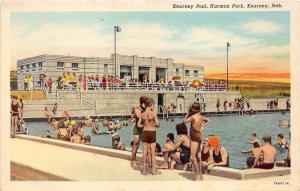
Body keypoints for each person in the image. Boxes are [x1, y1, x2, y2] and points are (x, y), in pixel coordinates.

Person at [183, 102, 211, 181]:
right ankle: (201, 175)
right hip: (199, 136)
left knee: (192, 157)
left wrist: (188, 112)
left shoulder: (193, 117)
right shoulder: (201, 116)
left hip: (194, 137)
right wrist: (202, 127)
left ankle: (198, 175)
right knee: (198, 157)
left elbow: (184, 121)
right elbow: (209, 120)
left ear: (193, 109)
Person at [138, 98, 160, 175]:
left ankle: (144, 170)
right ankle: (154, 171)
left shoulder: (142, 114)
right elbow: (158, 124)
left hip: (145, 131)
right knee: (153, 153)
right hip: (152, 132)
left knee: (144, 152)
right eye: (153, 105)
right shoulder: (153, 113)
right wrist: (153, 124)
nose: (153, 107)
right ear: (151, 105)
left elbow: (138, 125)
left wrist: (144, 125)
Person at [131, 96, 148, 168]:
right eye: (146, 101)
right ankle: (133, 161)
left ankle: (144, 161)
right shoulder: (137, 108)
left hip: (144, 128)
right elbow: (138, 116)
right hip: (137, 129)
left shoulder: (145, 109)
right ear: (143, 102)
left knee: (145, 145)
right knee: (136, 145)